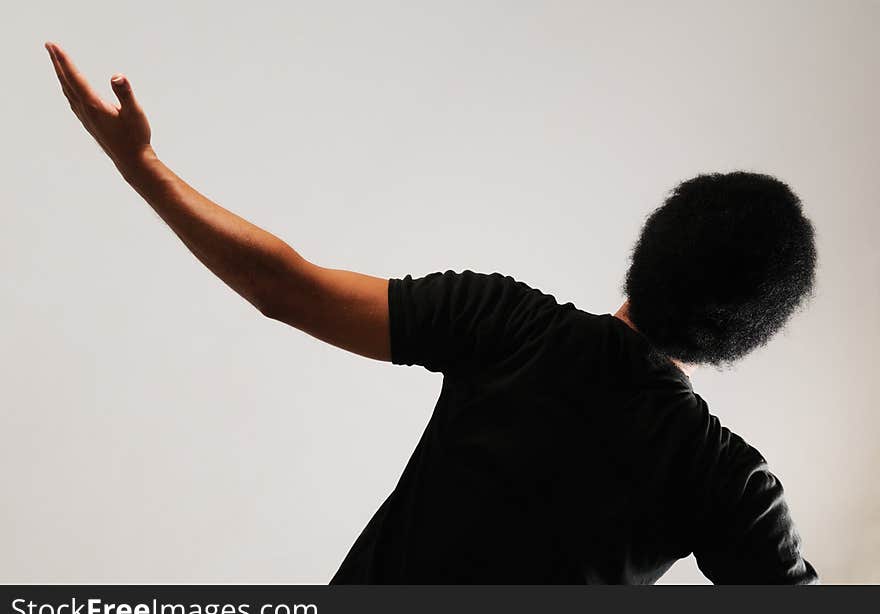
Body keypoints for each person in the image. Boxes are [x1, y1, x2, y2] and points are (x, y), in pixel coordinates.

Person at [45, 42, 819, 584]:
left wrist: (141, 167)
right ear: (749, 331)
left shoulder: (507, 322)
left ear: (655, 241)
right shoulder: (728, 484)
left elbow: (286, 289)